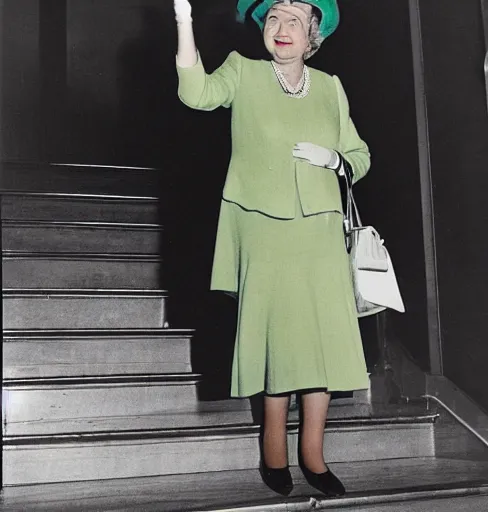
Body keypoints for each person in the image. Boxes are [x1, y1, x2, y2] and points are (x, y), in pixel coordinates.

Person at [174, 0, 370, 497]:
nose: (282, 29)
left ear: (313, 37)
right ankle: (273, 448)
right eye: (274, 19)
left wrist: (336, 160)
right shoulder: (244, 72)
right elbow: (196, 93)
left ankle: (314, 454)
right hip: (263, 226)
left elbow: (360, 156)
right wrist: (183, 20)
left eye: (295, 22)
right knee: (278, 342)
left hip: (321, 231)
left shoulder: (330, 88)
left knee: (322, 344)